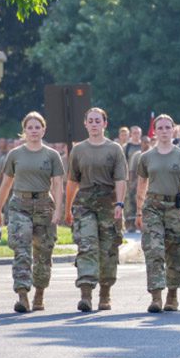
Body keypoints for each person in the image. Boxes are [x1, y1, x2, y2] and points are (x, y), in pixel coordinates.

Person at [0, 112, 64, 313]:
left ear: (44, 129)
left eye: (37, 127)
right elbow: (6, 183)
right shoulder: (15, 155)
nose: (34, 131)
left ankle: (39, 294)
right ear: (24, 131)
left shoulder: (52, 155)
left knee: (44, 252)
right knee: (22, 250)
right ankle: (22, 295)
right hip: (19, 205)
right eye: (30, 127)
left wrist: (58, 210)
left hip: (43, 205)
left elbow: (58, 185)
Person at [65, 107, 128, 312]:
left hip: (108, 202)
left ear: (104, 124)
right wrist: (67, 209)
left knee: (109, 249)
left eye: (97, 121)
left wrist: (119, 203)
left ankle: (105, 294)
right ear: (85, 124)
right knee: (87, 246)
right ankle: (86, 294)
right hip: (84, 203)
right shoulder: (78, 150)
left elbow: (121, 179)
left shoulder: (114, 149)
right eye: (90, 121)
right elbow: (72, 181)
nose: (94, 124)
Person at [134, 115, 180, 313]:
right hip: (152, 206)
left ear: (173, 130)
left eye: (167, 127)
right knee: (154, 250)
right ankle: (156, 296)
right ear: (155, 131)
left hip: (175, 207)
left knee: (177, 251)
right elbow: (141, 185)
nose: (164, 131)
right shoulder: (146, 157)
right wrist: (139, 211)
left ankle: (172, 294)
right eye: (160, 127)